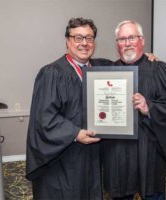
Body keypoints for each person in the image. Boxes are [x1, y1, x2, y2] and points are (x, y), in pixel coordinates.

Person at [25, 17, 112, 200]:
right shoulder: (52, 73)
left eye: (89, 38)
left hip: (90, 155)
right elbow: (44, 118)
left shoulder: (100, 69)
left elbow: (127, 66)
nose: (84, 43)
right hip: (62, 157)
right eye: (78, 38)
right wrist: (75, 133)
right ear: (67, 41)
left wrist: (149, 56)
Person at [101, 20, 166, 200]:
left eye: (132, 37)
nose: (127, 43)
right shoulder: (107, 72)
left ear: (142, 40)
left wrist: (149, 108)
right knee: (120, 193)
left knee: (153, 193)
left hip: (149, 147)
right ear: (117, 44)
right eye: (122, 39)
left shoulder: (159, 69)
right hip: (118, 149)